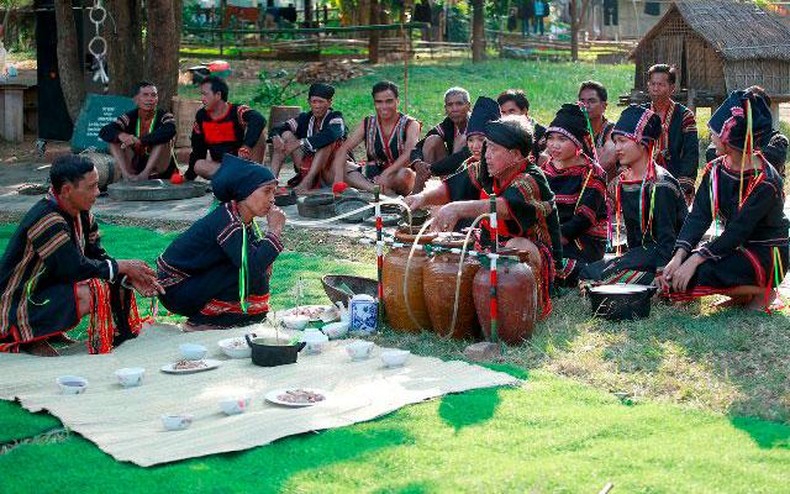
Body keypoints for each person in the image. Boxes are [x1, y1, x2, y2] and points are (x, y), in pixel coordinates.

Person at [0, 155, 163, 356]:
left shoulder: (83, 213)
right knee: (91, 292)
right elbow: (73, 269)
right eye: (92, 187)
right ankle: (27, 338)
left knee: (116, 278)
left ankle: (116, 332)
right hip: (14, 304)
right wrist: (122, 266)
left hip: (44, 290)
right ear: (67, 190)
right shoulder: (47, 219)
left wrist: (128, 274)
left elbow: (97, 257)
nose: (97, 192)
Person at [404, 115, 562, 318]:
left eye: (494, 149)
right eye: (488, 147)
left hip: (531, 250)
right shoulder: (486, 169)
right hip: (490, 244)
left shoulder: (531, 178)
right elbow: (451, 188)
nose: (486, 154)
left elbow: (505, 207)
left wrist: (457, 208)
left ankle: (523, 304)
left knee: (516, 246)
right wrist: (421, 198)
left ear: (515, 155)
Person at [662, 89, 789, 310]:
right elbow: (699, 216)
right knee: (676, 273)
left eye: (715, 132)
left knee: (699, 272)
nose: (711, 135)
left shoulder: (766, 181)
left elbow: (738, 231)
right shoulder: (715, 170)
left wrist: (695, 259)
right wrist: (679, 256)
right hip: (734, 248)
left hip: (767, 255)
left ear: (731, 140)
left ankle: (764, 291)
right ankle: (743, 294)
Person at [157, 155, 285, 330]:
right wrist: (275, 231)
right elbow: (252, 267)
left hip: (195, 282)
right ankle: (202, 320)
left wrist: (265, 253)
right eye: (267, 191)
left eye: (273, 192)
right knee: (250, 268)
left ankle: (222, 316)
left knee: (257, 266)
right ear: (245, 191)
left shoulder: (239, 217)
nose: (272, 199)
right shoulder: (227, 220)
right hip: (176, 290)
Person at [578, 105, 688, 287]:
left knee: (599, 277)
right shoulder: (625, 181)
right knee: (589, 272)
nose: (617, 148)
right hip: (641, 255)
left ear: (643, 142)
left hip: (665, 257)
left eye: (622, 141)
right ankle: (637, 279)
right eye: (615, 141)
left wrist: (662, 270)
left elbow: (667, 239)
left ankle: (661, 282)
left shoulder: (661, 184)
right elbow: (634, 238)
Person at [542, 104, 608, 286]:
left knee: (540, 261)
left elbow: (582, 220)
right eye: (551, 138)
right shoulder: (544, 169)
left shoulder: (592, 174)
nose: (554, 145)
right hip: (549, 237)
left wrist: (548, 241)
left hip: (582, 243)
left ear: (578, 143)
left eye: (562, 139)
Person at [331, 81, 420, 196]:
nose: (384, 106)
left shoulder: (411, 124)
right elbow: (343, 149)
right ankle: (378, 190)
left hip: (397, 175)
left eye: (389, 101)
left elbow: (410, 153)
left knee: (405, 174)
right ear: (374, 103)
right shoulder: (368, 122)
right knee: (340, 166)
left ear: (397, 101)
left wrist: (387, 172)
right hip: (372, 175)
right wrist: (338, 181)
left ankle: (377, 189)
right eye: (379, 102)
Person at [268, 83, 347, 194]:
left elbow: (332, 135)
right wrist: (275, 137)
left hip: (329, 168)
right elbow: (280, 127)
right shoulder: (305, 118)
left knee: (326, 141)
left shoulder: (335, 118)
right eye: (314, 102)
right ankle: (271, 183)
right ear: (309, 102)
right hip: (306, 164)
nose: (317, 106)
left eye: (321, 102)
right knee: (285, 135)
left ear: (329, 103)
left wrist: (300, 142)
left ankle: (307, 182)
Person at [186, 76, 267, 180]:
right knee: (199, 165)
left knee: (259, 133)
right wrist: (188, 177)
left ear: (218, 95)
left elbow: (259, 119)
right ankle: (238, 179)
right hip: (222, 167)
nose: (202, 98)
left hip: (245, 163)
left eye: (205, 94)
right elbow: (198, 149)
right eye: (201, 94)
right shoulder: (201, 116)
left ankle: (253, 175)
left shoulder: (237, 111)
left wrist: (247, 146)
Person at [99, 81, 178, 182]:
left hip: (160, 167)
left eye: (153, 95)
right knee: (113, 140)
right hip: (136, 163)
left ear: (157, 99)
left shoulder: (165, 115)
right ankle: (126, 175)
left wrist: (141, 141)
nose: (150, 99)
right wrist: (121, 135)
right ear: (136, 99)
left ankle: (145, 174)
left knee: (163, 139)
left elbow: (170, 130)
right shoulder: (129, 117)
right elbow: (104, 131)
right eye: (145, 95)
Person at [704, 86, 788, 178]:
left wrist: (735, 154)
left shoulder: (777, 140)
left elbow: (773, 158)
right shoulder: (732, 138)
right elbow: (711, 152)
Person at [646, 64, 699, 202]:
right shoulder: (641, 114)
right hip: (645, 177)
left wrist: (683, 184)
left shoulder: (684, 115)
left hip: (675, 177)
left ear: (672, 88)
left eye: (661, 85)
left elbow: (691, 152)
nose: (656, 88)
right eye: (653, 84)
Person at [411, 87, 471, 192]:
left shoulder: (476, 125)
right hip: (449, 170)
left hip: (473, 176)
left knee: (462, 140)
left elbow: (463, 156)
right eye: (450, 105)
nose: (454, 109)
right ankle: (417, 194)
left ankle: (453, 192)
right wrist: (418, 163)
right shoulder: (448, 124)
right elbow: (420, 145)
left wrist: (431, 168)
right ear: (445, 108)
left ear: (468, 106)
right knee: (432, 140)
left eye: (459, 104)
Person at [577, 80, 616, 179]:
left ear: (604, 106)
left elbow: (609, 158)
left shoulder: (612, 130)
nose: (585, 106)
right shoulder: (574, 128)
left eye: (591, 101)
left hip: (601, 185)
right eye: (582, 101)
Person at [497, 89, 547, 165]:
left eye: (511, 111)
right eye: (503, 112)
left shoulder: (542, 133)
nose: (506, 116)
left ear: (524, 111)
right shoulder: (498, 133)